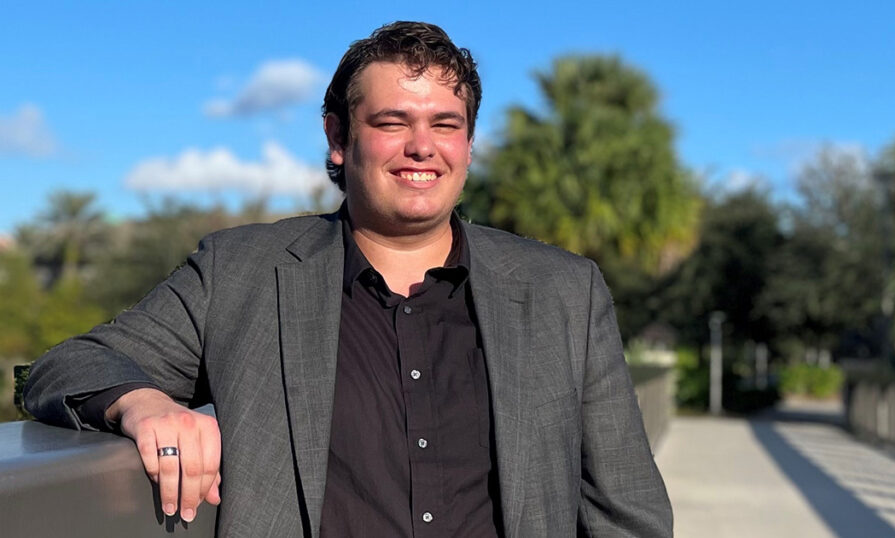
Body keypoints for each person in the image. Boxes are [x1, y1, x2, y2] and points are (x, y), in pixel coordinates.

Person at [25, 21, 672, 537]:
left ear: (468, 145)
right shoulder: (242, 273)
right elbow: (66, 366)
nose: (423, 146)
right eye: (393, 122)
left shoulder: (563, 291)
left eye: (445, 125)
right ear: (338, 137)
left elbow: (628, 513)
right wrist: (144, 403)